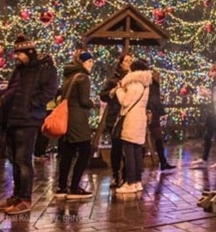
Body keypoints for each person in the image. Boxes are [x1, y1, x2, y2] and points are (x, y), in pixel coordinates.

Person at [0, 34, 58, 215]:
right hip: (13, 118)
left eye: (19, 53)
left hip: (28, 119)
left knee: (23, 160)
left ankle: (25, 199)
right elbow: (12, 89)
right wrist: (1, 101)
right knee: (14, 160)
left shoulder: (45, 68)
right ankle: (17, 196)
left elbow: (51, 89)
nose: (16, 57)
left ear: (29, 51)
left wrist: (33, 104)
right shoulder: (20, 69)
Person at [55, 50, 96, 200]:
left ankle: (61, 187)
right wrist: (92, 103)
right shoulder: (83, 77)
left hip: (67, 118)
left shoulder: (69, 77)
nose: (92, 64)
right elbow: (84, 101)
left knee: (67, 154)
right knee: (85, 151)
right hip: (78, 120)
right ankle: (74, 188)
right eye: (89, 61)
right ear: (83, 62)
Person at [113, 58, 152, 194]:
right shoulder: (145, 85)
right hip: (140, 119)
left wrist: (119, 90)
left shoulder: (134, 84)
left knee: (129, 152)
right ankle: (137, 181)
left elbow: (125, 101)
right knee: (136, 152)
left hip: (131, 120)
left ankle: (130, 182)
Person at [99, 53, 132, 188]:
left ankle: (126, 175)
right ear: (121, 63)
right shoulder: (114, 79)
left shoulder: (134, 78)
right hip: (115, 117)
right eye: (126, 61)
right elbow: (103, 95)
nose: (129, 63)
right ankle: (115, 174)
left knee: (128, 148)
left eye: (131, 61)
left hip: (129, 117)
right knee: (117, 148)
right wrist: (113, 92)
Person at [147, 70, 176, 171]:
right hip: (152, 115)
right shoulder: (153, 86)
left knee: (156, 139)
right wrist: (161, 111)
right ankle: (162, 162)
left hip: (152, 114)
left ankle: (162, 161)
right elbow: (155, 100)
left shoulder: (152, 85)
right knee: (157, 139)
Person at [197, 64, 216, 168]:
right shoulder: (215, 82)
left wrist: (208, 94)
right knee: (208, 136)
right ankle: (204, 158)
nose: (210, 74)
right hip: (213, 112)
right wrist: (208, 93)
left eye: (212, 71)